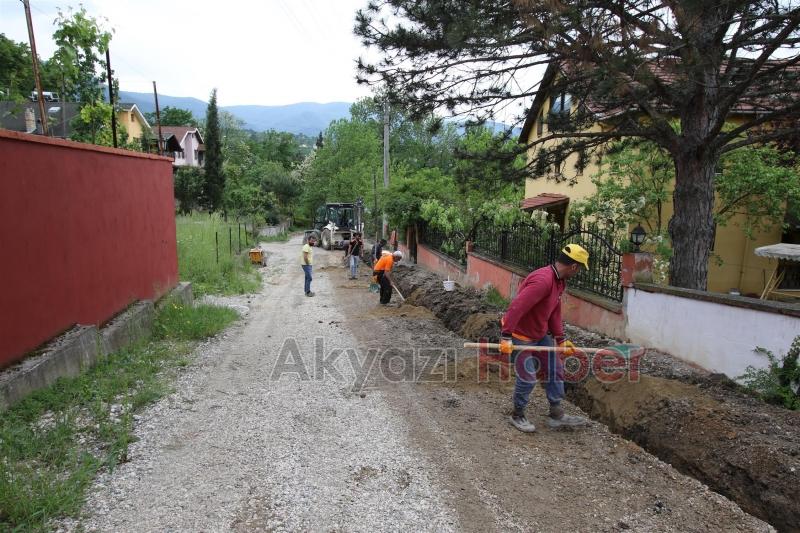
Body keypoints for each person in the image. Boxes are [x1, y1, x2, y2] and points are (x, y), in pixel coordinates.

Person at [499, 244, 591, 433]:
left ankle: (556, 414)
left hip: (539, 334)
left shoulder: (559, 281)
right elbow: (517, 307)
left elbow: (554, 311)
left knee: (555, 369)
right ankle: (517, 414)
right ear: (574, 266)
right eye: (579, 268)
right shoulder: (543, 280)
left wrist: (560, 339)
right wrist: (506, 336)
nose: (578, 272)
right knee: (528, 377)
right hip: (520, 335)